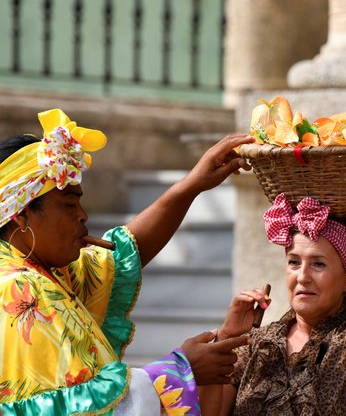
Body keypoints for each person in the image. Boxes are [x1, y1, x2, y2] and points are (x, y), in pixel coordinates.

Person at [0, 108, 253, 414]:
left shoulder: (44, 272)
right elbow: (69, 408)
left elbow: (119, 257)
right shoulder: (20, 290)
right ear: (22, 214)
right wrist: (180, 370)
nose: (83, 215)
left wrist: (192, 185)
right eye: (69, 204)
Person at [196, 133, 346, 415]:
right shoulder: (257, 344)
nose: (302, 276)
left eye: (318, 264)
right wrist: (226, 342)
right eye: (293, 262)